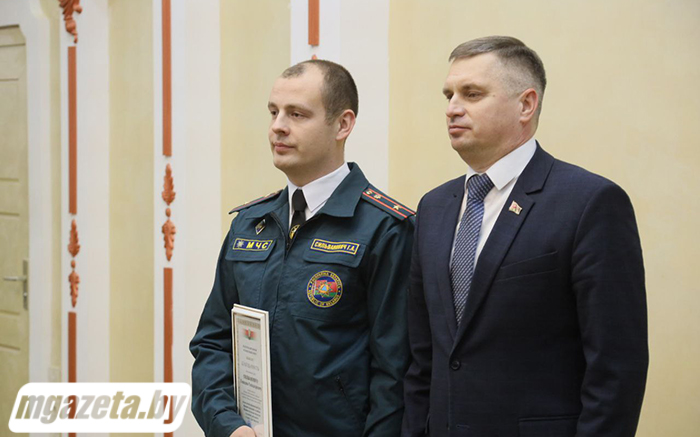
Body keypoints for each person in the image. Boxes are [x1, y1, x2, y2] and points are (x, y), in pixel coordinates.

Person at [402, 36, 648, 437]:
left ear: (526, 104)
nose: (452, 108)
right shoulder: (433, 208)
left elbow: (616, 367)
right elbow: (421, 358)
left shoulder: (589, 202)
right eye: (449, 95)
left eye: (472, 94)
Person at [191, 59, 414, 437]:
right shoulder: (250, 223)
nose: (278, 126)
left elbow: (395, 375)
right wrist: (227, 425)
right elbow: (212, 343)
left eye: (297, 114)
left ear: (342, 124)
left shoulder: (384, 228)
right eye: (274, 112)